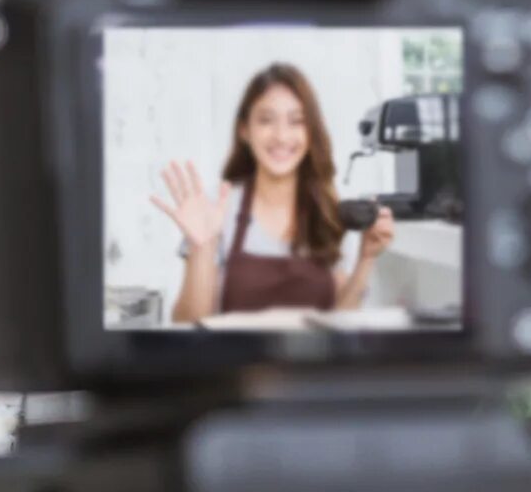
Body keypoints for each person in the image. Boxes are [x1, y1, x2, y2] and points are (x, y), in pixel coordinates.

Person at [151, 61, 395, 323]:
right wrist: (202, 247)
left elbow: (338, 323)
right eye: (266, 120)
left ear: (310, 132)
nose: (281, 136)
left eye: (296, 121)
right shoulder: (216, 209)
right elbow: (188, 326)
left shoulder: (325, 209)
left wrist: (366, 259)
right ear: (245, 130)